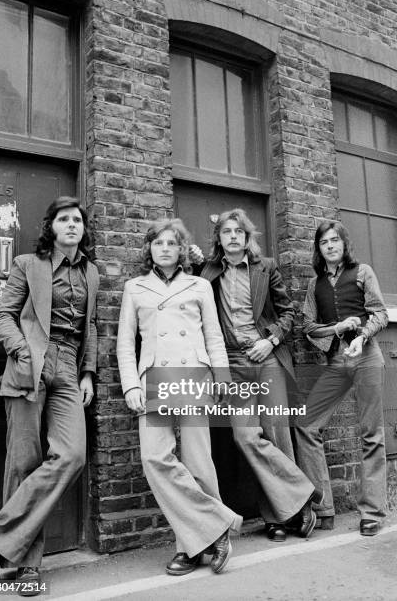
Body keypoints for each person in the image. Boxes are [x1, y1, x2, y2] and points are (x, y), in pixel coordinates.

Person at [0, 197, 99, 594]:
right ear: (51, 227)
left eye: (77, 220)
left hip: (68, 366)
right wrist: (21, 350)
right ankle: (25, 564)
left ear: (84, 228)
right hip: (30, 363)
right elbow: (2, 315)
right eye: (64, 219)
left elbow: (92, 326)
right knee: (24, 461)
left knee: (71, 454)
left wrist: (88, 373)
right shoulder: (28, 265)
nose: (71, 225)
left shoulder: (92, 273)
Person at [117, 218, 243, 576]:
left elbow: (215, 337)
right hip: (154, 377)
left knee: (198, 462)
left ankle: (191, 546)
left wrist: (221, 378)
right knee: (155, 458)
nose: (166, 249)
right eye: (158, 243)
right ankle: (217, 527)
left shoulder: (200, 285)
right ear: (150, 250)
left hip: (193, 375)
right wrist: (131, 385)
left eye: (172, 243)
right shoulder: (135, 288)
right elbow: (126, 343)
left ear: (182, 250)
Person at [198, 208, 320, 542]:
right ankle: (302, 494)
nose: (233, 236)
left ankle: (277, 517)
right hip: (233, 363)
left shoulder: (266, 268)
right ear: (219, 239)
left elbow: (288, 313)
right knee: (246, 437)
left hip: (266, 359)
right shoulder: (206, 271)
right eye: (227, 232)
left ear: (247, 236)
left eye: (239, 231)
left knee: (276, 434)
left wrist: (271, 341)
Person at [293, 220, 388, 536]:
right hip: (337, 361)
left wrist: (361, 334)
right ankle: (323, 508)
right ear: (318, 249)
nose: (330, 246)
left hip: (366, 357)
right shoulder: (314, 285)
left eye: (335, 240)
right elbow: (307, 327)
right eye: (324, 242)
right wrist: (335, 329)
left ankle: (372, 512)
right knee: (307, 425)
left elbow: (380, 313)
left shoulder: (363, 272)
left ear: (344, 244)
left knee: (370, 432)